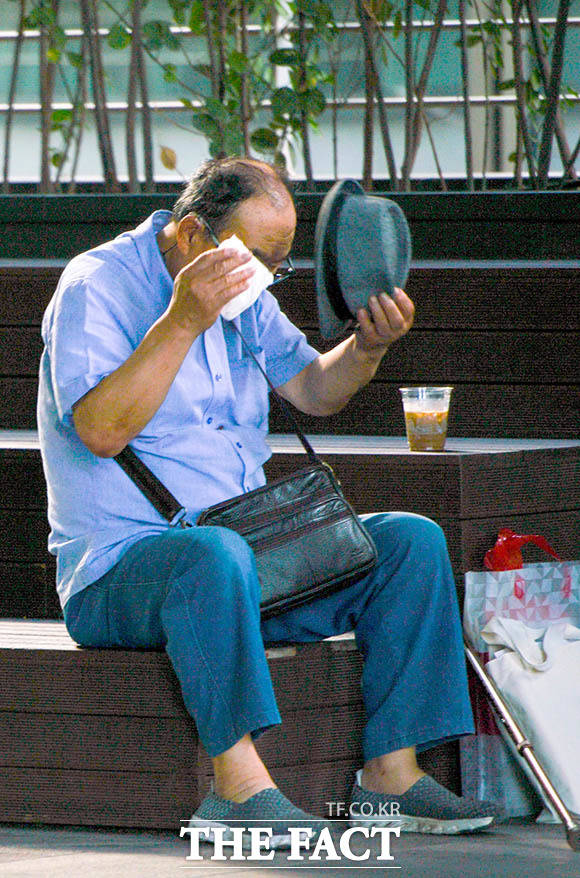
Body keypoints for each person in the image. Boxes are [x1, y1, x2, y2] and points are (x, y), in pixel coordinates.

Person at [38, 156, 498, 849]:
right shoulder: (97, 284)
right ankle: (238, 792)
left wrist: (367, 349)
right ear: (192, 235)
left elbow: (314, 389)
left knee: (409, 540)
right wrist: (183, 319)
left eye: (277, 267)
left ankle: (391, 778)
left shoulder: (242, 291)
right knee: (212, 555)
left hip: (244, 561)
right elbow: (102, 430)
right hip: (122, 573)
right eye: (258, 260)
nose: (265, 279)